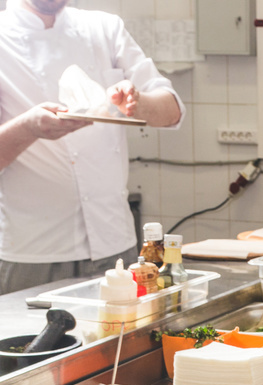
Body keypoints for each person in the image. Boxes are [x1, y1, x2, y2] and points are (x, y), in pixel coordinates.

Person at [0, 0, 184, 295]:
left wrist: (138, 103)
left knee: (123, 340)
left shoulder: (104, 28)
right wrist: (28, 127)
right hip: (32, 254)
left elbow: (172, 110)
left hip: (115, 246)